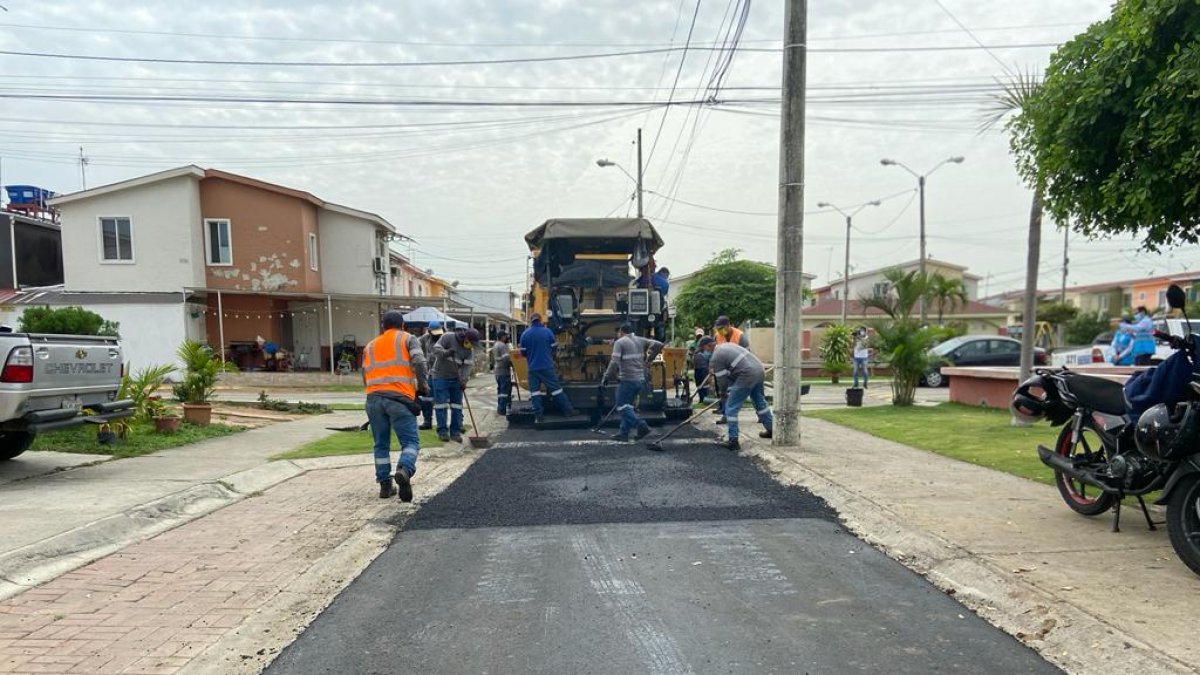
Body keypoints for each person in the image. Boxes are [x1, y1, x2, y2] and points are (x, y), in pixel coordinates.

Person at [362, 310, 428, 502]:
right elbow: (420, 362)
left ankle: (384, 485)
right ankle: (404, 469)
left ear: (383, 327)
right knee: (410, 442)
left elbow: (365, 375)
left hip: (373, 398)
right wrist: (423, 386)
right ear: (403, 325)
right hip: (400, 399)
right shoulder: (408, 338)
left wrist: (374, 395)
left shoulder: (370, 345)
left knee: (380, 444)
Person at [698, 336, 773, 452]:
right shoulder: (726, 346)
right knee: (759, 401)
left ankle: (733, 440)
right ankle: (772, 429)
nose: (704, 353)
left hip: (747, 374)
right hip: (759, 370)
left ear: (708, 346)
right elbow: (733, 370)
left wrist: (722, 393)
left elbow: (722, 381)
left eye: (704, 350)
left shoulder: (716, 358)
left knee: (731, 407)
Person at [601, 324, 664, 442]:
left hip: (627, 379)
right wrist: (650, 359)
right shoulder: (641, 340)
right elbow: (659, 345)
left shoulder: (620, 342)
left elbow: (614, 362)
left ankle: (642, 426)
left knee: (621, 405)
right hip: (639, 380)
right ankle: (623, 433)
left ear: (621, 332)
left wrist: (606, 377)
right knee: (628, 406)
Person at [518, 313, 578, 423]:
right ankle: (568, 411)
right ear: (540, 320)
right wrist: (548, 355)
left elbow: (523, 352)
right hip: (547, 367)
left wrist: (532, 357)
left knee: (535, 392)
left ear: (531, 321)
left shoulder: (525, 334)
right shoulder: (547, 332)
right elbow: (554, 348)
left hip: (533, 369)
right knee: (557, 390)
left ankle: (539, 415)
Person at [431, 327, 480, 443]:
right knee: (441, 405)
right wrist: (446, 352)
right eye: (471, 342)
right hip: (440, 376)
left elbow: (466, 367)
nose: (471, 345)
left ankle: (455, 432)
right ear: (465, 337)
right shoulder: (448, 337)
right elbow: (435, 349)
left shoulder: (468, 350)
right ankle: (442, 432)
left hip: (456, 379)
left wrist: (463, 381)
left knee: (457, 406)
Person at [712, 316, 750, 422]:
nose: (720, 331)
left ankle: (761, 415)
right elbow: (716, 353)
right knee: (724, 392)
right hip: (726, 370)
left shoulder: (740, 336)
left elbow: (747, 355)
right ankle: (725, 415)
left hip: (740, 370)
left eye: (722, 328)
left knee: (753, 392)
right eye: (718, 329)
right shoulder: (717, 336)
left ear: (729, 325)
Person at [416, 321, 444, 430]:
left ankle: (448, 425)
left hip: (442, 374)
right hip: (430, 374)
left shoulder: (444, 338)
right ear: (429, 331)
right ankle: (427, 421)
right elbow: (416, 344)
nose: (437, 335)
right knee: (427, 399)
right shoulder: (425, 339)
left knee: (441, 401)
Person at [490, 332, 513, 415]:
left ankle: (500, 408)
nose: (507, 337)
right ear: (502, 337)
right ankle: (503, 409)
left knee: (500, 391)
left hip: (498, 371)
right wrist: (512, 363)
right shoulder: (502, 346)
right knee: (504, 391)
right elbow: (506, 358)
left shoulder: (495, 345)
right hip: (504, 371)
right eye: (506, 336)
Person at [692, 340, 711, 404]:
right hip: (697, 369)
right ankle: (701, 399)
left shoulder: (708, 352)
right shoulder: (696, 352)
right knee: (698, 384)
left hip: (704, 369)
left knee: (704, 384)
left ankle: (705, 399)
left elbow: (710, 361)